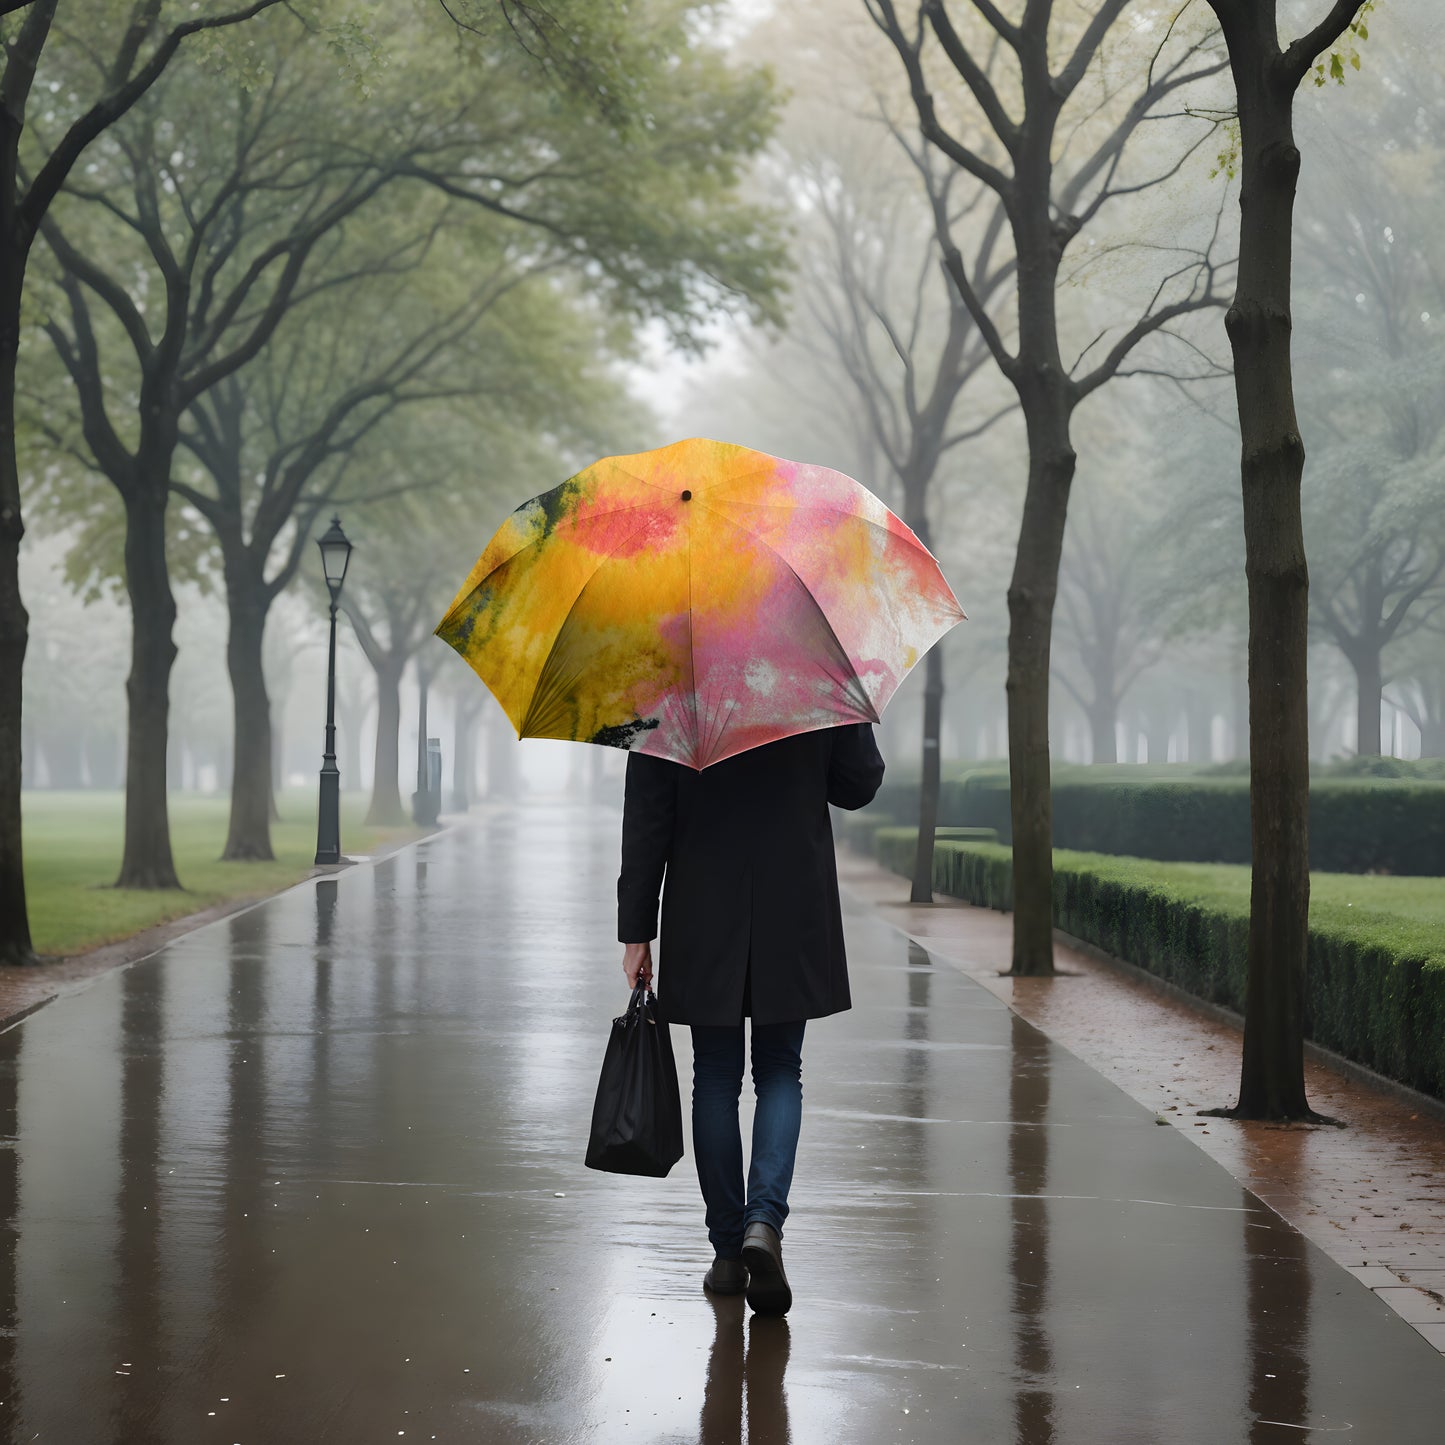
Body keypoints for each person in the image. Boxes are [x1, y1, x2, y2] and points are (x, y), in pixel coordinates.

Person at [616, 720, 886, 1316]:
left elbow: (647, 816)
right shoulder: (814, 667)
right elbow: (859, 783)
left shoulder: (667, 678)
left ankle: (727, 1252)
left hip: (703, 899)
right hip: (793, 895)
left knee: (714, 1075)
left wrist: (636, 930)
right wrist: (849, 720)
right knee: (780, 1070)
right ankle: (763, 1222)